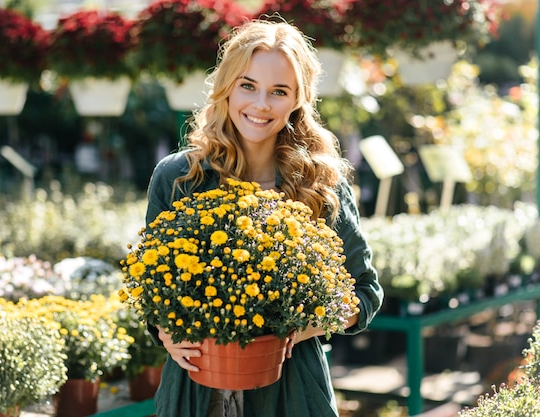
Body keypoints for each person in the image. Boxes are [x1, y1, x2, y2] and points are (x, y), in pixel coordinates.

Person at [143, 19, 384, 417]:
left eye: (279, 92)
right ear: (226, 87)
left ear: (298, 100)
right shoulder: (178, 178)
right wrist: (166, 333)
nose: (260, 104)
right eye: (248, 85)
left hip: (291, 393)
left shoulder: (320, 183)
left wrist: (307, 325)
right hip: (195, 392)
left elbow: (365, 293)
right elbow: (151, 289)